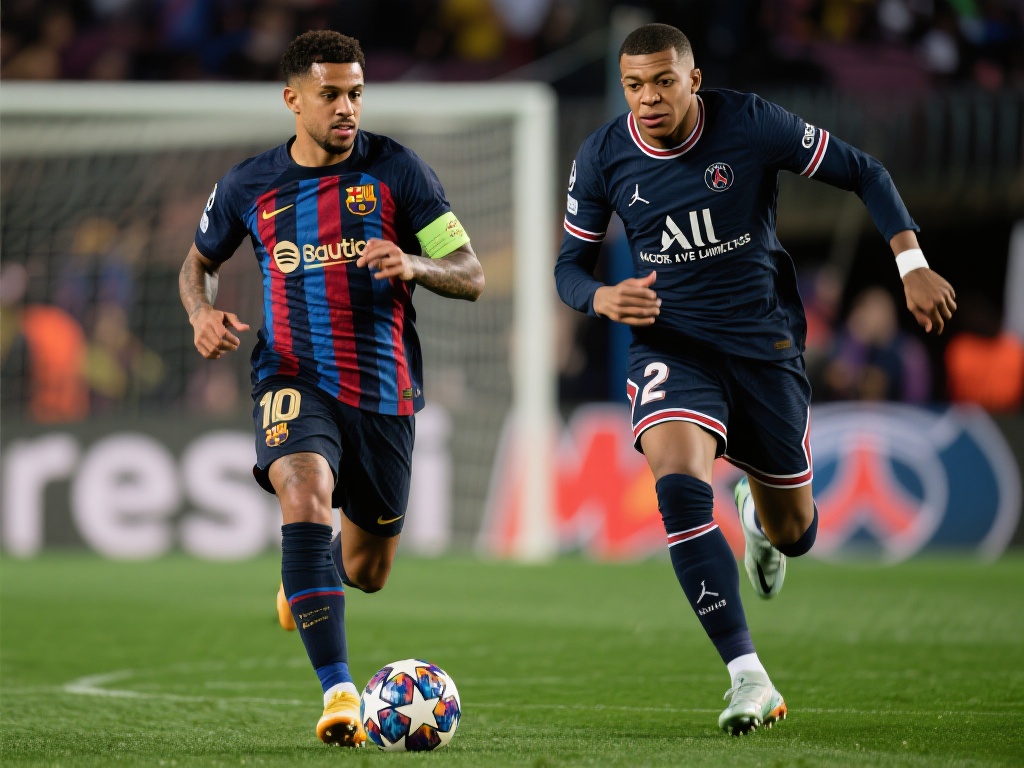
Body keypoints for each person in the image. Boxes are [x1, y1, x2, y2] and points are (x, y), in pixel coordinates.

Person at [555, 23, 956, 736]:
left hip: (763, 347)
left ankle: (760, 520)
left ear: (693, 80)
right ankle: (748, 676)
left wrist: (911, 264)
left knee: (795, 532)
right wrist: (600, 298)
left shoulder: (749, 123)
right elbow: (568, 267)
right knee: (679, 491)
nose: (649, 98)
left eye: (664, 82)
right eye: (635, 86)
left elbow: (865, 171)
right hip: (672, 348)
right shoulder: (602, 156)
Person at [178, 30, 484, 748]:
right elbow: (197, 265)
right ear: (293, 99)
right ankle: (339, 692)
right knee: (304, 492)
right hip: (290, 374)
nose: (347, 107)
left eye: (356, 93)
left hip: (382, 391)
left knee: (368, 572)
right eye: (331, 95)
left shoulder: (399, 171)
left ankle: (305, 575)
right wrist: (200, 314)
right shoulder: (248, 185)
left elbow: (470, 273)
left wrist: (414, 263)